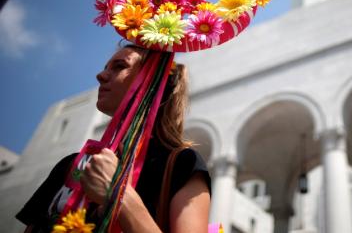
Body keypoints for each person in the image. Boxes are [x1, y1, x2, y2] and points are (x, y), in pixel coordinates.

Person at [16, 45, 211, 232]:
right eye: (105, 68)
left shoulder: (182, 164)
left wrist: (119, 193)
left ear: (152, 79)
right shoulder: (69, 165)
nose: (100, 76)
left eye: (120, 66)